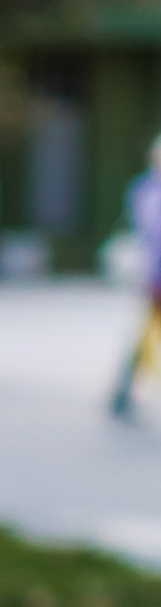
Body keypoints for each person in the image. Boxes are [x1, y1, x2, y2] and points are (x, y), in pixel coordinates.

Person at [109, 137, 161, 421]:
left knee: (144, 334)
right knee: (144, 335)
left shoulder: (143, 188)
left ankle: (123, 390)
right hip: (157, 274)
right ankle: (123, 390)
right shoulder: (150, 191)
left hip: (154, 273)